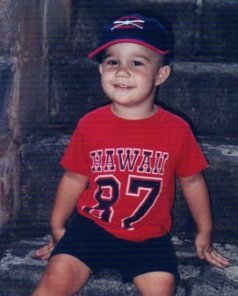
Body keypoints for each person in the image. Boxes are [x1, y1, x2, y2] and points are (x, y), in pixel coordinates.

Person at [32, 13, 230, 296]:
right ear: (101, 70)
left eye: (136, 62)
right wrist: (57, 226)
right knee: (56, 275)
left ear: (160, 74)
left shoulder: (176, 129)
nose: (122, 71)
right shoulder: (90, 124)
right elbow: (74, 178)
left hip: (149, 237)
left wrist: (204, 232)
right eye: (113, 61)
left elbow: (192, 181)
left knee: (162, 286)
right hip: (91, 230)